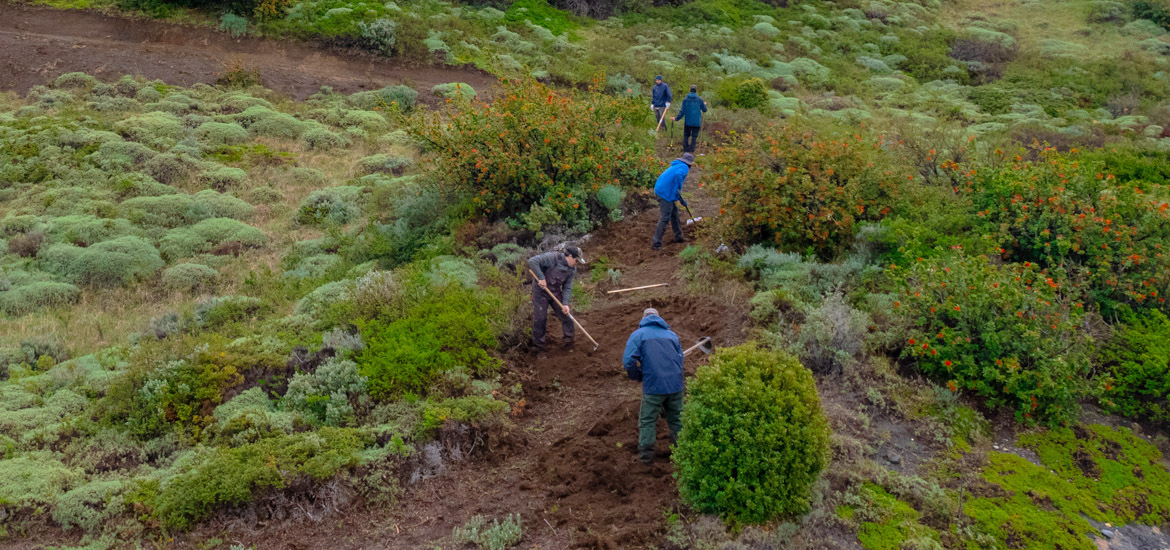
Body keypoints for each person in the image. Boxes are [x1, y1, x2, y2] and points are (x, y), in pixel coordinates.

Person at [622, 308, 684, 464]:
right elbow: (680, 360)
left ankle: (646, 459)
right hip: (676, 385)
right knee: (677, 419)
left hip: (654, 387)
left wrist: (637, 375)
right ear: (659, 319)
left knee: (647, 420)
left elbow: (628, 361)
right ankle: (683, 454)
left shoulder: (638, 335)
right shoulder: (672, 335)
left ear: (644, 319)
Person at [528, 246, 585, 353]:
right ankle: (538, 348)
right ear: (570, 256)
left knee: (567, 315)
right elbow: (532, 261)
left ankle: (569, 344)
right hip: (540, 293)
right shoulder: (552, 257)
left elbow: (567, 287)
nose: (576, 263)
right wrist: (541, 277)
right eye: (576, 260)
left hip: (555, 291)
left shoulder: (572, 269)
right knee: (540, 319)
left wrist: (565, 303)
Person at [651, 152, 693, 250]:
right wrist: (679, 188)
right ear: (689, 164)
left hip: (662, 189)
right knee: (665, 217)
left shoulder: (677, 165)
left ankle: (679, 237)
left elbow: (674, 185)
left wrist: (680, 198)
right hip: (664, 193)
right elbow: (678, 176)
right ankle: (656, 243)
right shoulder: (684, 168)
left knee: (674, 213)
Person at [673, 85, 708, 153]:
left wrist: (677, 118)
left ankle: (685, 149)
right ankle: (691, 150)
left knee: (686, 135)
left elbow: (682, 111)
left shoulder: (685, 99)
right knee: (694, 136)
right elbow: (704, 110)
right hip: (696, 122)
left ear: (690, 90)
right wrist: (704, 104)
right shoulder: (699, 99)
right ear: (696, 90)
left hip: (688, 121)